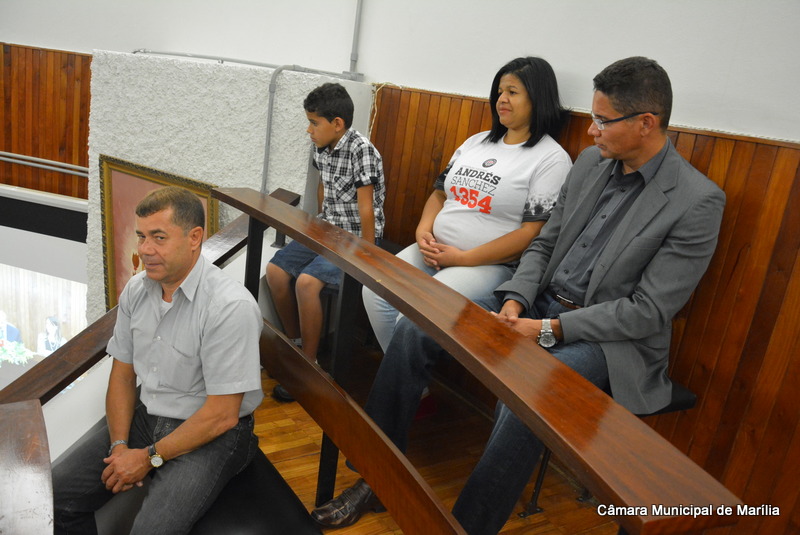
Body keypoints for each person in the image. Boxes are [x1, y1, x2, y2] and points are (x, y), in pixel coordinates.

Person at [311, 57, 726, 534]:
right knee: (416, 327)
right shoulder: (592, 164)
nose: (591, 130)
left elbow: (648, 312)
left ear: (646, 123)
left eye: (602, 120)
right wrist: (514, 301)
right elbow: (544, 244)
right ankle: (375, 477)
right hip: (536, 305)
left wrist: (548, 329)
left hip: (605, 340)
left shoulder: (696, 201)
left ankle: (468, 527)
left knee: (527, 398)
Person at [52, 187, 264, 534]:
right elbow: (122, 376)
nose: (145, 249)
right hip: (148, 417)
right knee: (55, 497)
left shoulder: (229, 307)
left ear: (194, 237)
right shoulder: (137, 290)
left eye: (159, 237)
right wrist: (119, 446)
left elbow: (223, 415)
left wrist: (148, 457)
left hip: (213, 432)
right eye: (141, 236)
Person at [362, 56, 572, 353]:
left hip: (489, 265)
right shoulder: (477, 142)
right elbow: (439, 194)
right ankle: (397, 371)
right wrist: (423, 232)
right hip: (435, 249)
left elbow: (532, 233)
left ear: (538, 98)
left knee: (412, 316)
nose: (502, 99)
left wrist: (462, 258)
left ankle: (401, 377)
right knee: (375, 289)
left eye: (512, 92)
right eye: (500, 92)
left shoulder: (551, 158)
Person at [266, 82, 385, 402]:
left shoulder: (362, 150)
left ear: (337, 123)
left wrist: (367, 254)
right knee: (275, 272)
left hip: (355, 237)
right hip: (327, 228)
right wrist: (319, 221)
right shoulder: (321, 145)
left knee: (307, 283)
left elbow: (366, 208)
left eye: (313, 123)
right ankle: (296, 343)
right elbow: (323, 186)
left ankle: (310, 364)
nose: (309, 130)